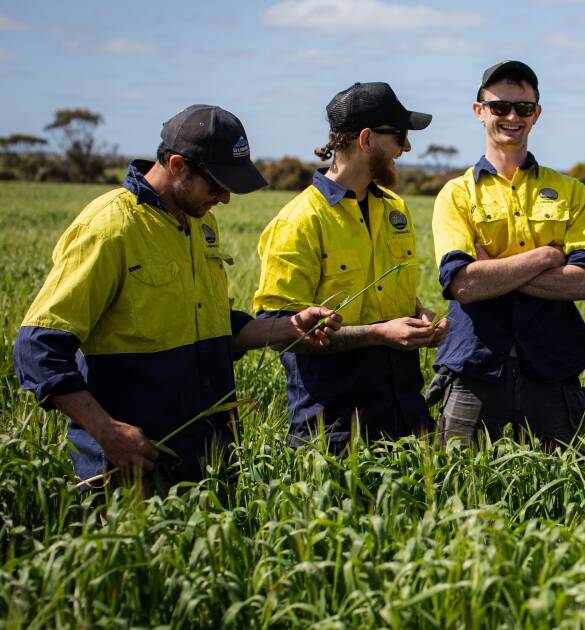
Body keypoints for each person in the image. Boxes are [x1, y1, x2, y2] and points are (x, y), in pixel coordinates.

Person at [12, 105, 340, 486]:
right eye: (217, 185)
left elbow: (211, 326)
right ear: (178, 165)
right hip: (136, 463)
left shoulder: (201, 224)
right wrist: (108, 433)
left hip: (210, 458)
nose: (224, 198)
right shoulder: (109, 228)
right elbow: (38, 348)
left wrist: (286, 328)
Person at [253, 82, 446, 449]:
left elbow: (391, 291)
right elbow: (276, 331)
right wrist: (377, 334)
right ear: (366, 139)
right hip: (334, 429)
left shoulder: (394, 209)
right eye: (400, 136)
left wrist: (422, 317)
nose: (406, 147)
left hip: (406, 414)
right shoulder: (298, 220)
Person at [430, 60, 585, 448]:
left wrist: (492, 269)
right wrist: (545, 256)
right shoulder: (456, 194)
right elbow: (462, 283)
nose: (512, 116)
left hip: (552, 368)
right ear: (479, 111)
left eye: (523, 108)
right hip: (474, 365)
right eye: (499, 107)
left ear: (536, 114)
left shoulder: (570, 191)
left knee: (564, 488)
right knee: (459, 486)